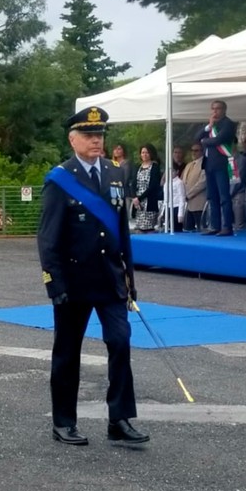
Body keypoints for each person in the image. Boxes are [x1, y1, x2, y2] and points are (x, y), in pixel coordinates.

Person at [37, 106, 149, 447]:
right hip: (74, 280)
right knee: (68, 352)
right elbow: (48, 237)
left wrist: (129, 278)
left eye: (100, 135)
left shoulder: (115, 174)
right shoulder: (60, 179)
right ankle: (64, 422)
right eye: (89, 135)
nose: (96, 140)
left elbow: (122, 233)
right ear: (73, 140)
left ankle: (119, 418)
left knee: (120, 341)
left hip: (110, 279)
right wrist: (54, 283)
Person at [199, 99, 238, 236]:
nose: (215, 111)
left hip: (221, 164)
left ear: (224, 110)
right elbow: (197, 137)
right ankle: (214, 226)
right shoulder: (212, 125)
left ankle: (227, 226)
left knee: (224, 196)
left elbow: (218, 140)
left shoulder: (228, 124)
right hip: (209, 164)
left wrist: (205, 141)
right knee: (212, 196)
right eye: (213, 109)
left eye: (218, 108)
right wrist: (208, 127)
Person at [131, 144, 161, 233]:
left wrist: (140, 198)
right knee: (138, 228)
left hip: (149, 201)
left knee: (149, 228)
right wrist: (135, 198)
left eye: (147, 152)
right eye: (143, 152)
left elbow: (153, 186)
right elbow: (133, 183)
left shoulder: (155, 167)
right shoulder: (137, 167)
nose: (144, 154)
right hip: (138, 203)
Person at [181, 144, 207, 231]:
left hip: (199, 203)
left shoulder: (205, 163)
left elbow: (202, 182)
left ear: (202, 151)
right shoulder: (189, 165)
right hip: (188, 204)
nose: (193, 152)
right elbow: (183, 181)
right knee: (187, 229)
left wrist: (189, 194)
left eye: (196, 150)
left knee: (201, 229)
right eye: (192, 150)